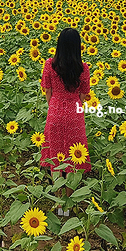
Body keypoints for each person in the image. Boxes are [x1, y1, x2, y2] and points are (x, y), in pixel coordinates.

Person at [40, 28, 93, 193]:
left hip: (55, 110)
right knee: (74, 155)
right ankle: (69, 199)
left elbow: (47, 91)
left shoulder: (50, 65)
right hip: (74, 112)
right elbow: (84, 94)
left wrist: (54, 105)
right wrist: (74, 104)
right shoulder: (83, 68)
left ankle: (58, 199)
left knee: (55, 154)